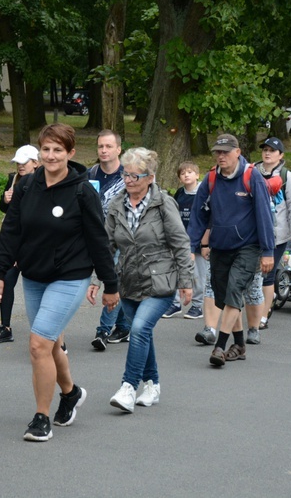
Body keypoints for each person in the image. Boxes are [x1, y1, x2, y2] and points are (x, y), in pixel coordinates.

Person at [0, 123, 118, 442]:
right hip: (34, 276)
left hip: (70, 276)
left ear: (70, 153)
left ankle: (41, 416)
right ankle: (71, 392)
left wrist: (110, 284)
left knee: (37, 345)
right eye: (45, 149)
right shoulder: (27, 186)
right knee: (50, 344)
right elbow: (12, 230)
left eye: (58, 149)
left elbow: (98, 238)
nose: (51, 155)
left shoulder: (82, 189)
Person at [87, 148, 192, 412]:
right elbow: (107, 246)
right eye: (126, 174)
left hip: (161, 281)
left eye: (135, 175)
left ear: (150, 177)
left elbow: (180, 244)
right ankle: (153, 384)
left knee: (139, 329)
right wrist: (96, 280)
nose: (128, 180)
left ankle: (128, 387)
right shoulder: (116, 204)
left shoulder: (163, 203)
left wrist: (186, 282)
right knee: (141, 333)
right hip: (129, 280)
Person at [187, 134, 275, 366]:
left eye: (225, 152)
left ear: (238, 152)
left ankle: (219, 346)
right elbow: (198, 214)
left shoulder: (251, 176)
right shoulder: (211, 178)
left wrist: (268, 251)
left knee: (235, 290)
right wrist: (191, 246)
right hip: (220, 246)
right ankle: (239, 345)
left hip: (248, 245)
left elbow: (264, 215)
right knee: (224, 296)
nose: (220, 156)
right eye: (217, 152)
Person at [0, 144, 40, 344]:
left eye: (24, 162)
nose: (20, 166)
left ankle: (47, 333)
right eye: (17, 162)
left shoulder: (41, 183)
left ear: (35, 163)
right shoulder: (13, 179)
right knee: (7, 281)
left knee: (39, 287)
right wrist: (5, 199)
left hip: (32, 243)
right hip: (13, 240)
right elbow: (4, 209)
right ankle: (5, 326)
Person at [255, 137, 291, 335]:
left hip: (277, 235)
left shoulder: (287, 177)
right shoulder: (252, 172)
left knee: (266, 275)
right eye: (265, 149)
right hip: (253, 234)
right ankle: (258, 307)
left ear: (281, 155)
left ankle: (263, 314)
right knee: (254, 276)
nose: (267, 153)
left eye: (272, 150)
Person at [88, 130, 130, 349]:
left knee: (114, 281)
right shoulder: (91, 174)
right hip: (96, 238)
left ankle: (102, 331)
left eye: (108, 146)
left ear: (118, 149)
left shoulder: (129, 175)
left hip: (123, 239)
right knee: (119, 283)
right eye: (100, 146)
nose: (104, 150)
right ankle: (124, 327)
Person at [163, 161, 205, 320]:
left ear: (197, 174)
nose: (186, 175)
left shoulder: (203, 193)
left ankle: (197, 305)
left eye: (190, 172)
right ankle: (175, 303)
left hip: (198, 242)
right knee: (174, 270)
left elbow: (208, 219)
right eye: (183, 173)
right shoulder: (180, 193)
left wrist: (205, 242)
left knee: (197, 274)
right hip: (179, 240)